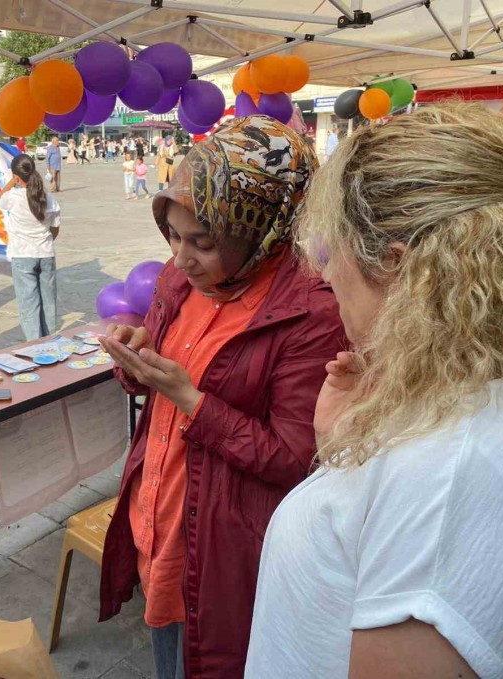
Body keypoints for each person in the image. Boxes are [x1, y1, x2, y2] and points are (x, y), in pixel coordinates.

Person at [244, 103, 503, 678]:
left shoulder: (449, 471)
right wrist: (346, 449)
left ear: (399, 270)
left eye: (331, 253)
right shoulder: (473, 405)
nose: (324, 276)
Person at [97, 115, 347, 679]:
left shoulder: (311, 311)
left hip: (221, 548)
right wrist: (137, 362)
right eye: (173, 237)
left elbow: (295, 458)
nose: (181, 259)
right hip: (156, 521)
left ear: (264, 229)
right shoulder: (178, 281)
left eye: (202, 243)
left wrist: (192, 400)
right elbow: (156, 384)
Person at [0, 154, 61, 342]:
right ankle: (49, 341)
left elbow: (1, 197)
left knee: (29, 304)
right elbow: (55, 230)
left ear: (16, 176)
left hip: (23, 255)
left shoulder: (14, 197)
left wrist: (13, 179)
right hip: (46, 253)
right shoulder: (49, 199)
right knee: (48, 303)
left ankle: (34, 344)